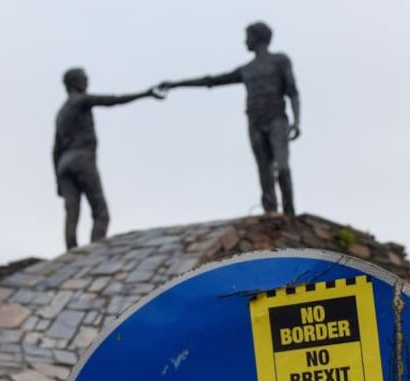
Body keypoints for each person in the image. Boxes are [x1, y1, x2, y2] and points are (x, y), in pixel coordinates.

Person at [160, 22, 300, 215]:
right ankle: (271, 215)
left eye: (248, 36)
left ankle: (289, 214)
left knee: (282, 167)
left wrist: (297, 121)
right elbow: (211, 81)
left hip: (277, 118)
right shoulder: (246, 69)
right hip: (255, 121)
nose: (245, 41)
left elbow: (292, 91)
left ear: (257, 37)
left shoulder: (280, 60)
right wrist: (176, 84)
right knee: (264, 170)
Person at [53, 68, 163, 250]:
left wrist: (58, 180)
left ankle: (70, 250)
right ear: (75, 82)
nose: (87, 82)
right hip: (82, 158)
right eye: (84, 79)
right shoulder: (80, 101)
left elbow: (55, 150)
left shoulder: (61, 113)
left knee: (72, 211)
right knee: (101, 212)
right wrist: (145, 94)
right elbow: (113, 100)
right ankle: (94, 251)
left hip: (64, 164)